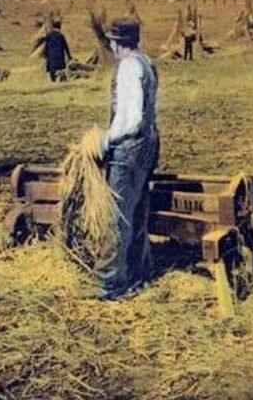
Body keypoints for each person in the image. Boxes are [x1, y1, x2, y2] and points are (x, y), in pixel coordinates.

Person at [97, 19, 160, 301]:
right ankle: (137, 274)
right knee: (136, 211)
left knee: (117, 216)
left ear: (115, 43)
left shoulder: (127, 68)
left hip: (129, 148)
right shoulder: (146, 63)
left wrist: (106, 140)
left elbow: (132, 118)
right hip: (148, 144)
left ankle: (114, 285)